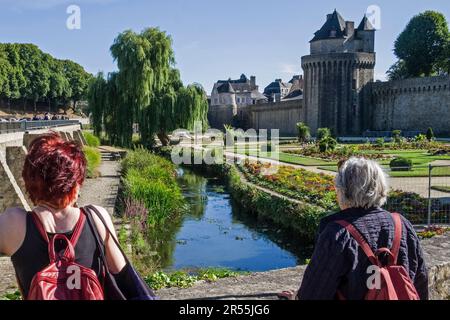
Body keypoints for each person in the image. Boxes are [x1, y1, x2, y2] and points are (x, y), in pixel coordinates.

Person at [0, 132, 129, 299]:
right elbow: (122, 277)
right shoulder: (96, 218)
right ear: (75, 184)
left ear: (29, 180)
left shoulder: (13, 222)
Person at [281, 157, 428, 300]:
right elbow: (420, 280)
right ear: (381, 188)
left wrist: (296, 297)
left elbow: (314, 293)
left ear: (344, 191)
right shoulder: (401, 224)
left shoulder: (337, 233)